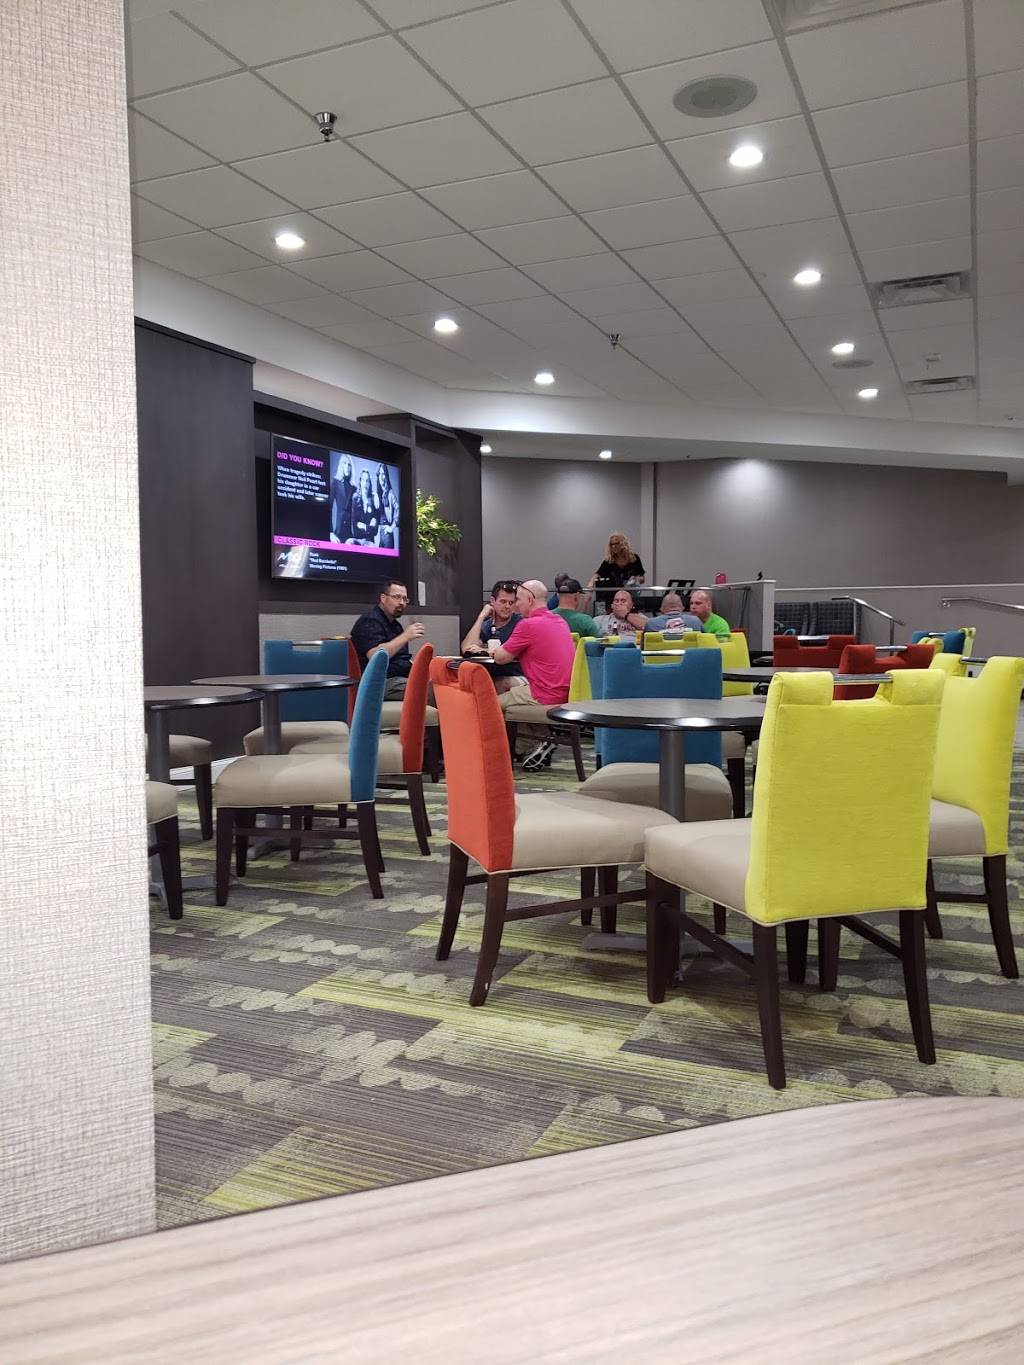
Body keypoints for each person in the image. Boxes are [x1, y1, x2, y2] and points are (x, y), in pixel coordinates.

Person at [491, 580, 575, 768]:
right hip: (566, 693)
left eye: (518, 600)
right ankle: (531, 743)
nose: (515, 605)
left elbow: (501, 658)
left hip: (543, 693)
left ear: (529, 600)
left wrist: (493, 651)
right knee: (510, 687)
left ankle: (497, 756)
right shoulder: (560, 621)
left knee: (488, 704)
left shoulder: (527, 625)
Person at [350, 580, 425, 700]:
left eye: (404, 599)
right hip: (378, 682)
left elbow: (400, 659)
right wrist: (405, 636)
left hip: (398, 679)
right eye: (397, 597)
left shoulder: (396, 626)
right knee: (430, 690)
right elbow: (375, 656)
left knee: (439, 683)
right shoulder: (369, 621)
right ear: (383, 598)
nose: (401, 603)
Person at [461, 580, 524, 693]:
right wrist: (481, 617)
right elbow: (466, 648)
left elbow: (506, 654)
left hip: (516, 674)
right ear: (492, 601)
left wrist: (483, 650)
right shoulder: (487, 625)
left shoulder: (520, 624)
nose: (507, 606)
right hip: (491, 673)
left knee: (499, 683)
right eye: (503, 601)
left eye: (511, 603)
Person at [349, 469, 379, 544]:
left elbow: (375, 531)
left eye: (367, 481)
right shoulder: (355, 498)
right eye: (363, 480)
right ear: (360, 481)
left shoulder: (373, 499)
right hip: (357, 540)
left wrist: (364, 526)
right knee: (349, 542)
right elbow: (354, 529)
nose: (365, 484)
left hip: (369, 541)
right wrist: (369, 527)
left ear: (369, 483)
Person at [329, 454, 354, 543]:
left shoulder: (354, 487)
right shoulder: (335, 483)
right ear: (341, 465)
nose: (347, 467)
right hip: (338, 532)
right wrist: (330, 532)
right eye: (345, 463)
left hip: (351, 534)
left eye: (349, 464)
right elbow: (328, 508)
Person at [375, 463, 398, 549]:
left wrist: (392, 527)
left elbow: (398, 509)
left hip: (387, 534)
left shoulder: (390, 493)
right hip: (379, 534)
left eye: (383, 474)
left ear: (386, 476)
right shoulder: (377, 494)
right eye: (380, 474)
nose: (382, 477)